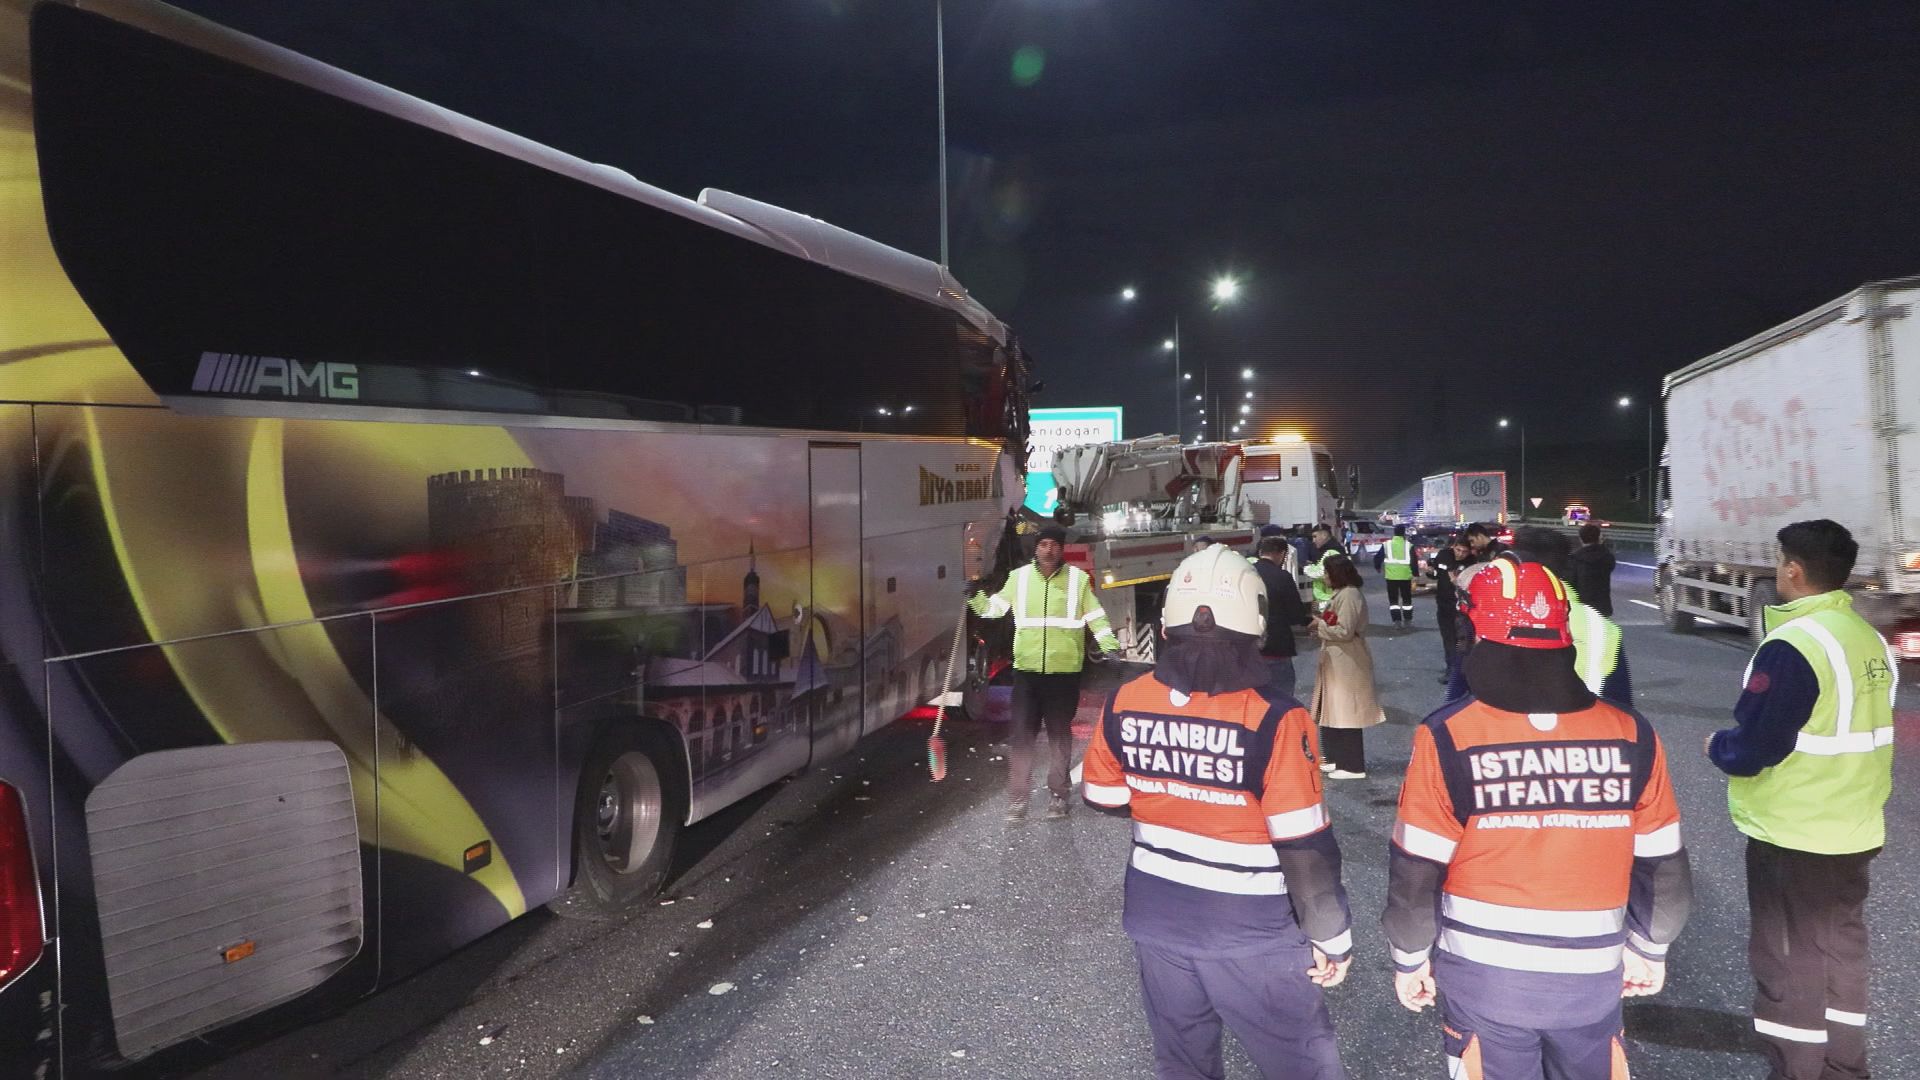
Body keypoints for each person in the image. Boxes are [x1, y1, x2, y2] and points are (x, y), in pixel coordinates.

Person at [1385, 558, 1692, 1080]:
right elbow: (1664, 863)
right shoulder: (1630, 732)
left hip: (1486, 982)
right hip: (1593, 979)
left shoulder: (1448, 735)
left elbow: (1416, 869)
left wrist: (1410, 958)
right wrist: (1650, 948)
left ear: (1475, 632)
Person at [1082, 545, 1353, 1080]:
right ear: (1255, 627)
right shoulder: (1276, 716)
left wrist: (1175, 795)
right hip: (1251, 930)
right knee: (1302, 1063)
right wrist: (1332, 936)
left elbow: (1103, 796)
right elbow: (1303, 845)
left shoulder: (1126, 698)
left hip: (1157, 916)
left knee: (1183, 1063)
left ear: (1167, 626)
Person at [1705, 519, 1896, 1080]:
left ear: (1792, 570)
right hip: (1854, 825)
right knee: (1841, 951)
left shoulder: (1794, 645)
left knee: (1788, 960)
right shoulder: (1866, 637)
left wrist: (1720, 747)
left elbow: (1759, 743)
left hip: (1795, 828)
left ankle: (1796, 1068)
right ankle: (1843, 1066)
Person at [969, 524, 1121, 822]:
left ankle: (1058, 797)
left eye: (1054, 544)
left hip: (1064, 674)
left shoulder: (1077, 580)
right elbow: (994, 610)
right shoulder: (1019, 579)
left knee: (1059, 738)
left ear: (1061, 549)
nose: (1048, 549)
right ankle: (1018, 800)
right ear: (1035, 549)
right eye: (1043, 544)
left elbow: (1095, 616)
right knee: (1022, 738)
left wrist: (1109, 645)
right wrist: (975, 597)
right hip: (1027, 673)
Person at [1511, 526, 1633, 706]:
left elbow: (1457, 699)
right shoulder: (1602, 630)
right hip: (1583, 729)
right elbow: (1623, 707)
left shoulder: (1483, 617)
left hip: (1504, 730)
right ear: (1563, 567)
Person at [1308, 555, 1382, 779]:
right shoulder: (1342, 594)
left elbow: (1344, 631)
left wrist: (1319, 625)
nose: (1325, 576)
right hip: (1338, 659)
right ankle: (1335, 758)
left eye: (1328, 572)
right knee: (1331, 708)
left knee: (1347, 711)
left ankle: (1352, 765)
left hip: (1347, 660)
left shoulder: (1349, 595)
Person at [1254, 535, 1312, 699]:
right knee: (1281, 697)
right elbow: (1296, 614)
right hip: (1276, 644)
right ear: (1280, 554)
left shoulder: (1247, 574)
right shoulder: (1282, 577)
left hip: (1249, 647)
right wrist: (1308, 621)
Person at [1428, 533, 1476, 686]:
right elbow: (1436, 573)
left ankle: (1463, 671)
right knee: (1448, 639)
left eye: (1464, 552)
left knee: (1462, 640)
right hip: (1444, 605)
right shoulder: (1444, 555)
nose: (1460, 554)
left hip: (1462, 608)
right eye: (1458, 550)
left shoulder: (1471, 563)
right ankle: (1451, 670)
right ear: (1453, 546)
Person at [1373, 523, 1417, 627]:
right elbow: (1414, 561)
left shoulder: (1387, 544)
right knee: (1407, 599)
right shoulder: (1409, 545)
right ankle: (1408, 620)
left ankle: (1396, 621)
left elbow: (1377, 558)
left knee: (1393, 600)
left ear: (1394, 533)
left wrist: (1378, 567)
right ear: (1404, 534)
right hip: (1405, 576)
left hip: (1391, 577)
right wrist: (1415, 574)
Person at [1569, 524, 1617, 617]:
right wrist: (1602, 545)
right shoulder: (1606, 557)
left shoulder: (1575, 558)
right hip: (1602, 607)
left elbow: (1570, 582)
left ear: (1580, 539)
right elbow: (1611, 566)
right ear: (1599, 538)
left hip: (1581, 607)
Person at [1302, 523, 1346, 612]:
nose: (1313, 540)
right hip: (1326, 599)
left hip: (1328, 600)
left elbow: (1319, 573)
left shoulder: (1331, 551)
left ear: (1324, 535)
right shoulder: (1326, 550)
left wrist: (1305, 568)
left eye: (1315, 536)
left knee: (1328, 624)